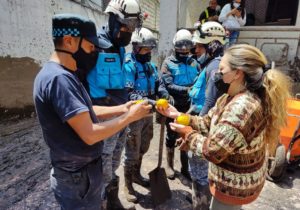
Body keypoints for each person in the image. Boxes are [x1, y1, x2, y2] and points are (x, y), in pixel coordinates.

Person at [33, 14, 152, 210]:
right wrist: (129, 117)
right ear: (69, 41)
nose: (93, 52)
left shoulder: (62, 74)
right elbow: (89, 134)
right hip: (77, 178)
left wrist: (122, 108)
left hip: (80, 173)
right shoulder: (59, 79)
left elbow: (85, 110)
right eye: (90, 47)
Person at [157, 44, 291, 210]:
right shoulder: (229, 97)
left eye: (221, 69)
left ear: (237, 73)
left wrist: (188, 134)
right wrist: (178, 116)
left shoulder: (242, 108)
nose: (216, 74)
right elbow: (208, 122)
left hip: (235, 187)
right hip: (228, 179)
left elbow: (213, 151)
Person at [84, 0, 143, 209]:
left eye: (131, 29)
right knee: (103, 163)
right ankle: (102, 203)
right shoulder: (92, 46)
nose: (126, 33)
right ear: (111, 19)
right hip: (102, 119)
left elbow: (118, 84)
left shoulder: (119, 49)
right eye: (124, 27)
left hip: (120, 117)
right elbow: (78, 83)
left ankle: (112, 200)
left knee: (115, 160)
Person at [122, 27, 167, 202]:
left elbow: (158, 84)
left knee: (144, 147)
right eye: (146, 49)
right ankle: (128, 185)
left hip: (148, 115)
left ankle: (136, 175)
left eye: (150, 49)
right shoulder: (129, 65)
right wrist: (151, 102)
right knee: (131, 151)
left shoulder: (150, 66)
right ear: (135, 47)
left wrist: (164, 95)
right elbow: (129, 92)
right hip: (135, 115)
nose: (149, 52)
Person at [188, 21, 226, 210]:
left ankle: (200, 205)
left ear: (212, 45)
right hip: (210, 124)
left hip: (205, 126)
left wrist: (193, 130)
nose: (195, 50)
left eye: (199, 46)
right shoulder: (216, 64)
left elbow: (210, 103)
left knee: (199, 171)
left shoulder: (213, 69)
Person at [161, 29, 200, 180]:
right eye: (180, 45)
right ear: (175, 45)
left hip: (190, 107)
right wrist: (188, 90)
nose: (184, 49)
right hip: (174, 105)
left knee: (186, 135)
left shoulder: (194, 63)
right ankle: (169, 166)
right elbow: (168, 85)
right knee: (171, 136)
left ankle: (185, 168)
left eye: (187, 45)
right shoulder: (168, 63)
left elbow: (198, 82)